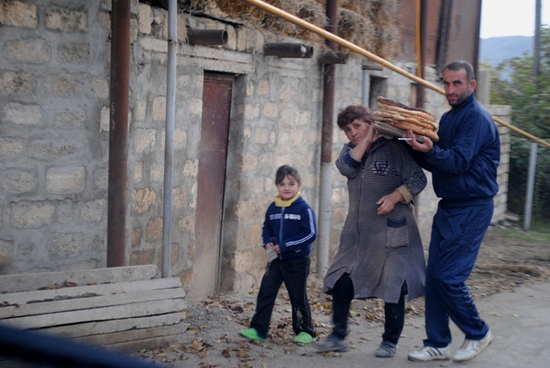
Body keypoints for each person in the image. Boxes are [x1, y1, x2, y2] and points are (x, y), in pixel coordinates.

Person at [406, 60, 500, 362]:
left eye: (457, 83)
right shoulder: (448, 119)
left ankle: (478, 332)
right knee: (434, 277)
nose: (450, 89)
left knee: (448, 277)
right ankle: (437, 342)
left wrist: (429, 150)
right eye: (446, 83)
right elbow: (437, 160)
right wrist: (408, 144)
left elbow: (457, 161)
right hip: (449, 207)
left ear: (471, 85)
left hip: (473, 208)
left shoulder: (476, 119)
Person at [315, 105, 427, 358]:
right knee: (341, 279)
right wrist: (366, 139)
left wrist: (396, 196)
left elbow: (419, 179)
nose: (352, 132)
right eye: (347, 129)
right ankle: (337, 336)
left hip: (393, 232)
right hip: (357, 235)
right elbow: (346, 169)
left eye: (358, 125)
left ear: (370, 122)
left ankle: (390, 341)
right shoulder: (350, 154)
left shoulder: (395, 149)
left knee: (393, 284)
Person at [239, 165, 317, 344]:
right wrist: (267, 241)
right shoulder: (273, 208)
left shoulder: (303, 209)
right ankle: (258, 329)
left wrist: (286, 245)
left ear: (299, 185)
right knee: (265, 293)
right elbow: (266, 227)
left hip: (297, 261)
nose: (286, 188)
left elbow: (311, 234)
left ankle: (305, 331)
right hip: (276, 261)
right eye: (282, 184)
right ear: (276, 186)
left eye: (291, 183)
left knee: (297, 297)